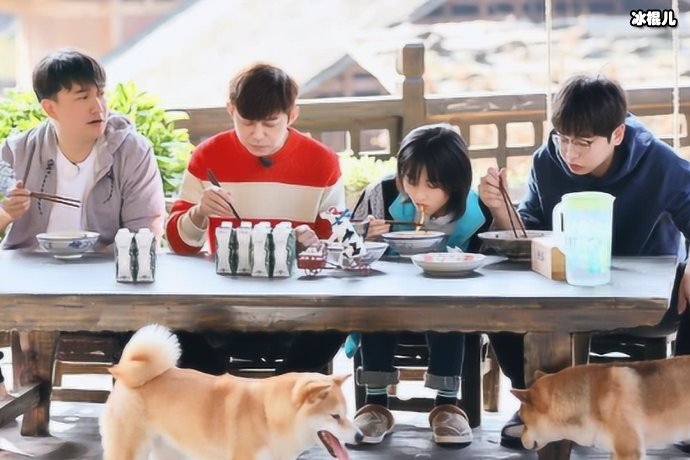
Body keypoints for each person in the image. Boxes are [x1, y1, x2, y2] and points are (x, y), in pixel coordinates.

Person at [478, 74, 690, 450]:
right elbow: (529, 235)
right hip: (568, 293)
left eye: (583, 143)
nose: (569, 153)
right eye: (563, 138)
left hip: (653, 301)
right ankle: (536, 401)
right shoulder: (547, 160)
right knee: (496, 288)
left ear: (617, 135)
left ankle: (685, 408)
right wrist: (499, 209)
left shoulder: (658, 162)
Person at [165, 63, 346, 375]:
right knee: (171, 321)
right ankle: (216, 396)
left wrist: (315, 244)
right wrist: (199, 212)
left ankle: (286, 393)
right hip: (220, 310)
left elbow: (337, 245)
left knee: (339, 318)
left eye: (270, 123)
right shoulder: (208, 156)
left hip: (296, 311)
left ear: (292, 115)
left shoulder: (323, 162)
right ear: (230, 110)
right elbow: (178, 244)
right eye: (246, 122)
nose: (258, 134)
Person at [350, 124, 490, 446]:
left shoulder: (476, 209)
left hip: (449, 306)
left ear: (455, 183)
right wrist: (364, 236)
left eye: (433, 185)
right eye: (411, 181)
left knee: (448, 305)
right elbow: (347, 245)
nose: (419, 194)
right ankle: (375, 404)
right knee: (377, 303)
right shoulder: (382, 194)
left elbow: (488, 263)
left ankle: (447, 406)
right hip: (387, 302)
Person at [0, 49, 165, 248]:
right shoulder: (16, 152)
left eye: (101, 94)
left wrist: (95, 263)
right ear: (50, 108)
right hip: (28, 264)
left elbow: (144, 234)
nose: (98, 107)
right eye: (83, 97)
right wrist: (6, 213)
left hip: (106, 264)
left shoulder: (133, 152)